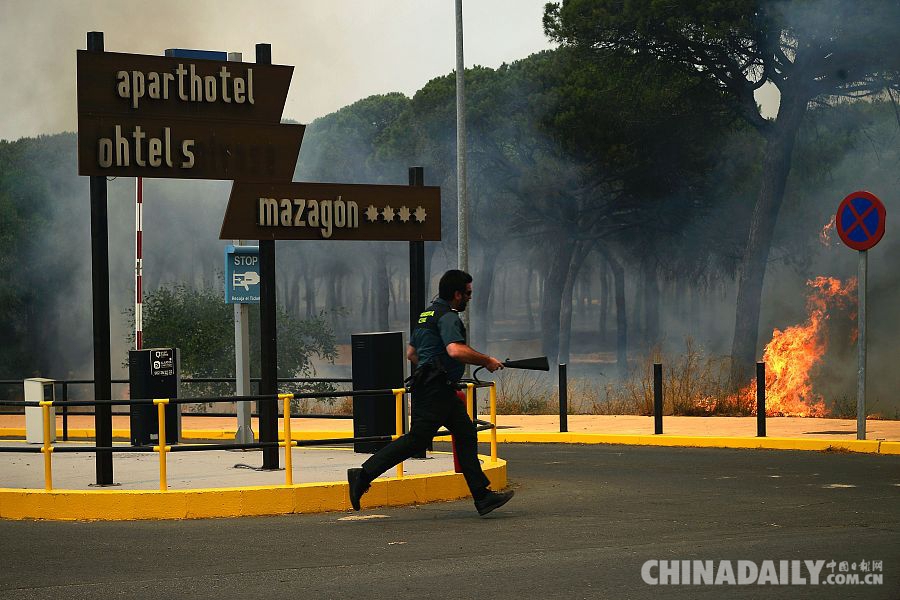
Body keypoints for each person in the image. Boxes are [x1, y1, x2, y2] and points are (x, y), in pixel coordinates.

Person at [348, 269, 514, 516]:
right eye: (467, 293)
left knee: (466, 433)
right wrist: (486, 360)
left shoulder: (427, 315)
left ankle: (482, 496)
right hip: (435, 389)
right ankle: (363, 475)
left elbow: (411, 354)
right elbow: (455, 350)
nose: (469, 297)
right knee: (417, 440)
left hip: (437, 387)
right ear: (457, 294)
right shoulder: (448, 317)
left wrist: (433, 368)